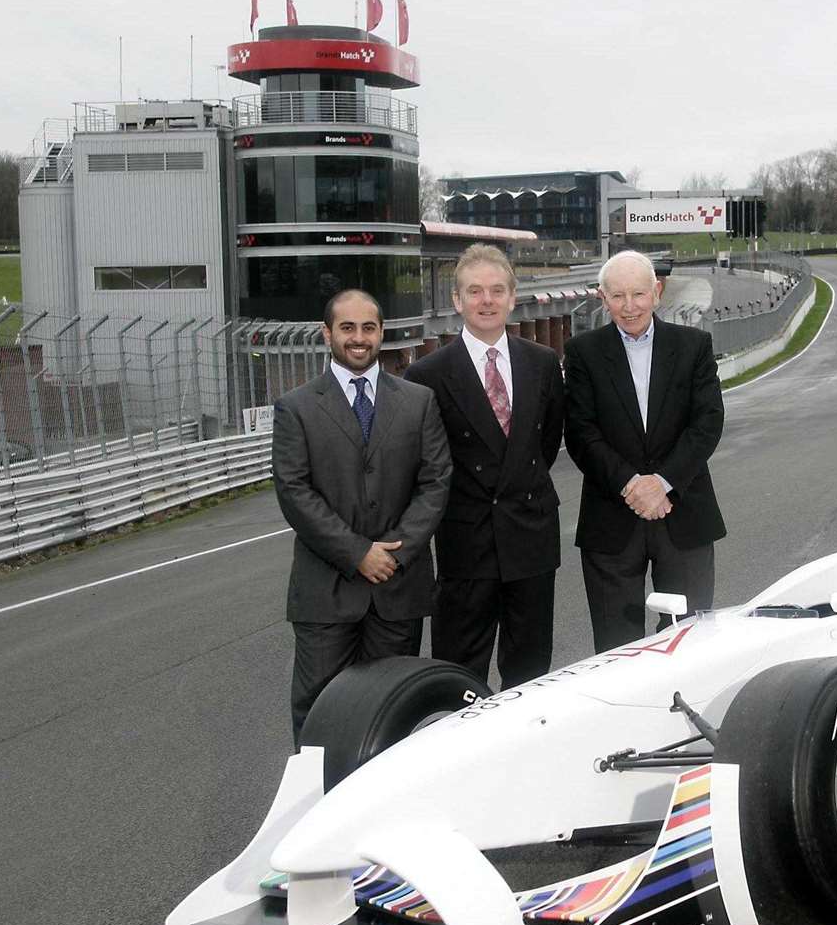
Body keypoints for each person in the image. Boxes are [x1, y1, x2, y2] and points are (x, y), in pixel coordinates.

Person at [273, 289, 451, 744]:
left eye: (368, 328)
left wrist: (395, 552)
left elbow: (435, 482)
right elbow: (294, 492)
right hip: (326, 593)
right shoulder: (296, 408)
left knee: (393, 710)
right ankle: (319, 806)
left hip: (398, 587)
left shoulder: (418, 401)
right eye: (347, 328)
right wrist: (357, 554)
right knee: (318, 711)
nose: (358, 338)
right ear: (327, 333)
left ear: (381, 332)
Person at [404, 245, 565, 688]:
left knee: (531, 673)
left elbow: (544, 444)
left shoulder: (544, 363)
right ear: (457, 301)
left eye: (497, 290)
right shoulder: (427, 376)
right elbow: (427, 464)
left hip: (530, 540)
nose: (487, 300)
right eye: (474, 291)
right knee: (459, 676)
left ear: (514, 297)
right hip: (465, 546)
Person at [564, 249, 726, 652]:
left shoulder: (694, 346)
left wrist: (664, 483)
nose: (629, 305)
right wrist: (631, 485)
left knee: (690, 641)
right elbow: (581, 433)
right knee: (617, 650)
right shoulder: (583, 352)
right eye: (617, 296)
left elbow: (707, 423)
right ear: (602, 298)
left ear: (657, 292)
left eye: (638, 294)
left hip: (683, 514)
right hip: (612, 520)